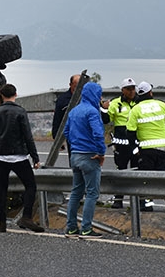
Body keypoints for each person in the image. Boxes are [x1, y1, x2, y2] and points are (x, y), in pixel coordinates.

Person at [0, 84, 44, 233]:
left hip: (0, 156)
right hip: (18, 156)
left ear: (2, 95)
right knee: (30, 186)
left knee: (2, 189)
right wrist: (35, 157)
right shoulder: (20, 112)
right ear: (16, 94)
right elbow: (27, 136)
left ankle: (2, 223)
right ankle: (26, 218)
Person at [63, 82, 106, 239]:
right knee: (92, 193)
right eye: (99, 94)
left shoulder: (74, 111)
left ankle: (71, 228)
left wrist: (76, 144)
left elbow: (66, 131)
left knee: (76, 192)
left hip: (75, 155)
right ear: (94, 94)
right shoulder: (93, 112)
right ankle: (86, 229)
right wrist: (101, 153)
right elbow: (98, 134)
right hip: (89, 156)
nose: (101, 97)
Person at [127, 82, 165, 212]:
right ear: (150, 93)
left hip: (146, 151)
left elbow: (130, 132)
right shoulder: (161, 105)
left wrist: (135, 150)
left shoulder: (136, 109)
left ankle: (147, 206)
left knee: (146, 180)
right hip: (162, 149)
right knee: (162, 177)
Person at [106, 78, 139, 209]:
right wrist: (104, 109)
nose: (132, 91)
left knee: (137, 171)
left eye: (133, 88)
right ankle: (118, 199)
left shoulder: (139, 102)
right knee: (121, 171)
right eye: (129, 89)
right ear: (123, 90)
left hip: (136, 144)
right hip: (121, 145)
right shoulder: (115, 103)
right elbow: (107, 119)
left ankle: (138, 201)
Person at [52, 74, 81, 140]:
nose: (77, 89)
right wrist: (56, 137)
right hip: (71, 133)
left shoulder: (86, 97)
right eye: (75, 86)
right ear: (70, 85)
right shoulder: (62, 99)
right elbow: (57, 119)